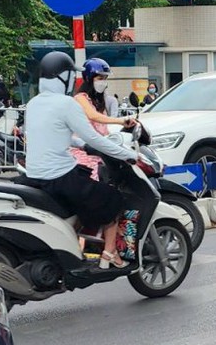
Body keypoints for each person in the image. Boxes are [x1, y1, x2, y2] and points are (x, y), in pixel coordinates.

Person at [23, 51, 144, 269]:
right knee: (112, 198)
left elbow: (55, 133)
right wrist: (129, 155)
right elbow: (94, 137)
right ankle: (109, 254)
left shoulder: (33, 104)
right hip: (59, 177)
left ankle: (81, 248)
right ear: (64, 78)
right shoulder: (67, 103)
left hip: (34, 176)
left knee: (86, 192)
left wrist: (80, 145)